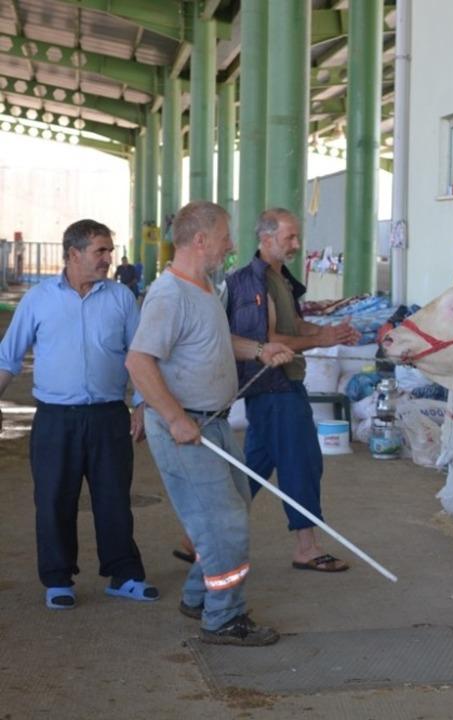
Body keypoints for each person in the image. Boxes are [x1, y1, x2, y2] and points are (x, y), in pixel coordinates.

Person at [125, 200, 293, 647]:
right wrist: (176, 419)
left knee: (231, 511)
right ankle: (224, 618)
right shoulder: (169, 295)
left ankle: (199, 596)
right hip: (188, 428)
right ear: (200, 241)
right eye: (225, 237)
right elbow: (139, 362)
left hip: (212, 422)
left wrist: (259, 350)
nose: (232, 245)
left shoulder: (204, 289)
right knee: (225, 526)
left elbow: (214, 342)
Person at [0, 219, 157, 610]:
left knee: (113, 498)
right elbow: (8, 357)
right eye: (100, 251)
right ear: (73, 254)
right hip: (55, 418)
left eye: (109, 249)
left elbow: (139, 357)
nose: (109, 258)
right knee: (54, 498)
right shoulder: (38, 300)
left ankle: (124, 575)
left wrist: (142, 403)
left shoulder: (121, 298)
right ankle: (57, 580)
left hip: (108, 416)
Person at [226, 208, 359, 572]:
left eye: (297, 237)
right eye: (290, 238)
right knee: (300, 461)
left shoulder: (279, 278)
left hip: (282, 386)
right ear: (266, 238)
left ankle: (200, 538)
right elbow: (266, 340)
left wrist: (325, 332)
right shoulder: (251, 284)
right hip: (274, 387)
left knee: (253, 467)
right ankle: (307, 546)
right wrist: (321, 339)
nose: (297, 245)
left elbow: (293, 323)